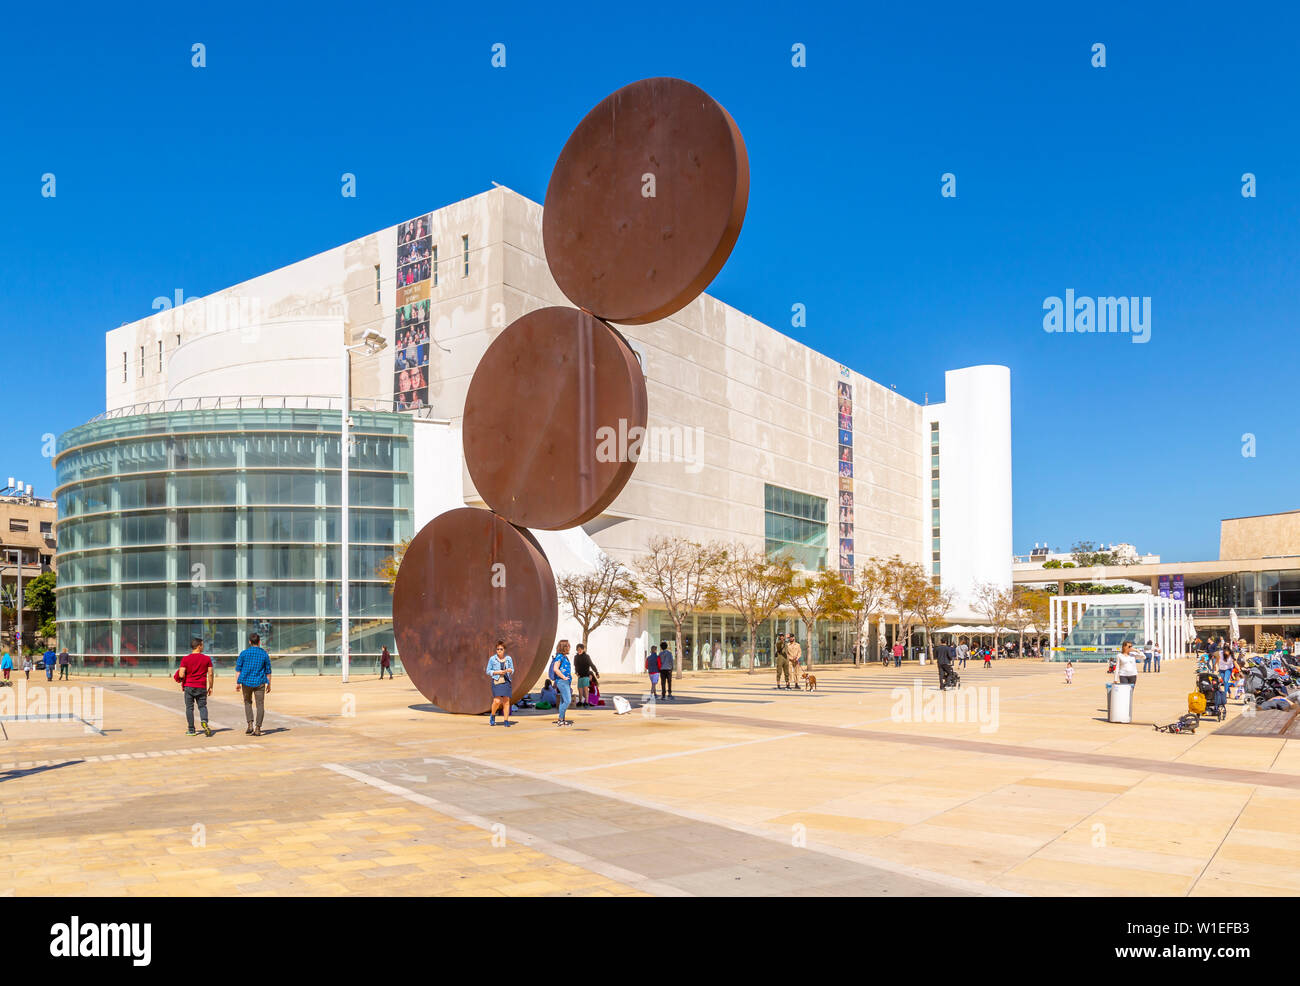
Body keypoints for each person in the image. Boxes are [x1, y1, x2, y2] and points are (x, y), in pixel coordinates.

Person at [176, 637, 214, 737]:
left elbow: (181, 674)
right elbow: (210, 674)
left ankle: (191, 730)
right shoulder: (207, 659)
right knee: (202, 706)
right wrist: (211, 686)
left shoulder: (185, 659)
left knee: (189, 708)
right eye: (202, 645)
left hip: (189, 686)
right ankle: (204, 721)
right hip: (201, 686)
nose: (203, 647)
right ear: (198, 646)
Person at [235, 632, 272, 736]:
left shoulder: (243, 653)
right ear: (259, 642)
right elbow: (268, 671)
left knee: (247, 703)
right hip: (259, 682)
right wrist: (269, 684)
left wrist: (238, 683)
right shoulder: (264, 654)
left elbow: (238, 669)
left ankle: (250, 724)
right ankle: (258, 728)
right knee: (260, 705)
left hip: (246, 682)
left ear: (249, 642)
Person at [486, 640, 514, 727]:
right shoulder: (492, 659)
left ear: (504, 650)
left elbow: (512, 669)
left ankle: (506, 720)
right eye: (497, 649)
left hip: (506, 681)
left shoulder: (509, 659)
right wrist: (497, 672)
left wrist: (509, 670)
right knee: (497, 701)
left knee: (506, 701)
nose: (499, 651)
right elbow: (488, 671)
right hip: (497, 681)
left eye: (501, 649)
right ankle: (493, 715)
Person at [552, 640, 574, 726]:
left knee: (563, 701)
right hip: (562, 681)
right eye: (568, 646)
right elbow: (555, 668)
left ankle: (562, 720)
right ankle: (560, 719)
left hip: (566, 682)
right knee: (568, 701)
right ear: (564, 647)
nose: (569, 647)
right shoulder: (559, 657)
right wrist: (563, 677)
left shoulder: (565, 657)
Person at [574, 642, 598, 708]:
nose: (579, 650)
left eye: (580, 649)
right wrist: (576, 672)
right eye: (577, 649)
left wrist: (596, 672)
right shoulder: (576, 657)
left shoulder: (586, 656)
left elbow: (591, 665)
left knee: (585, 689)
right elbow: (575, 666)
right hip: (579, 676)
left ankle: (586, 702)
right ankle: (580, 701)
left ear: (583, 649)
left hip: (585, 676)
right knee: (580, 689)